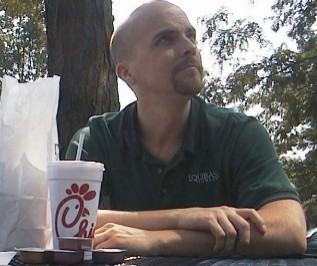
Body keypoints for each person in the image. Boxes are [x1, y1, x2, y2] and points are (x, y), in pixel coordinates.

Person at [66, 0, 307, 258]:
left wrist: (159, 240)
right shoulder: (95, 140)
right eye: (165, 40)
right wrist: (185, 218)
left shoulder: (237, 133)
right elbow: (67, 223)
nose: (189, 48)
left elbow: (289, 229)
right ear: (127, 73)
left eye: (190, 36)